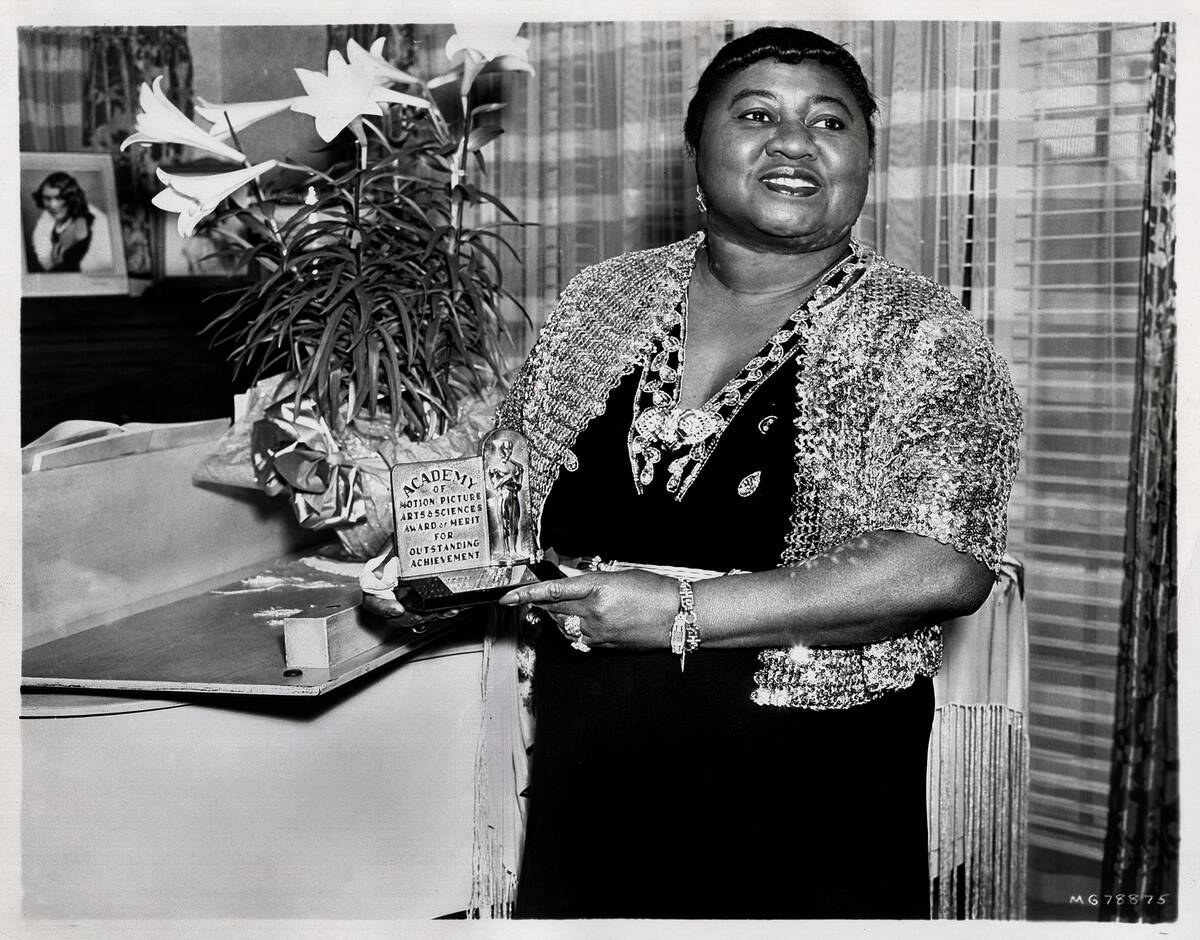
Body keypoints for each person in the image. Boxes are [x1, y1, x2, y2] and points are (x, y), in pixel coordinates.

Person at [364, 26, 1021, 919]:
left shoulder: (924, 332)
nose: (794, 141)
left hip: (808, 806)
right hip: (591, 789)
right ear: (695, 150)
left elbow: (946, 563)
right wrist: (422, 557)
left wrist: (679, 613)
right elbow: (508, 488)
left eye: (829, 122)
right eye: (757, 114)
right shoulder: (605, 300)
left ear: (864, 161)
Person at [29, 171, 114, 273]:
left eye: (59, 198)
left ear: (71, 198)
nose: (53, 205)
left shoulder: (81, 224)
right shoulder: (56, 221)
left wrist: (59, 265)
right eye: (47, 198)